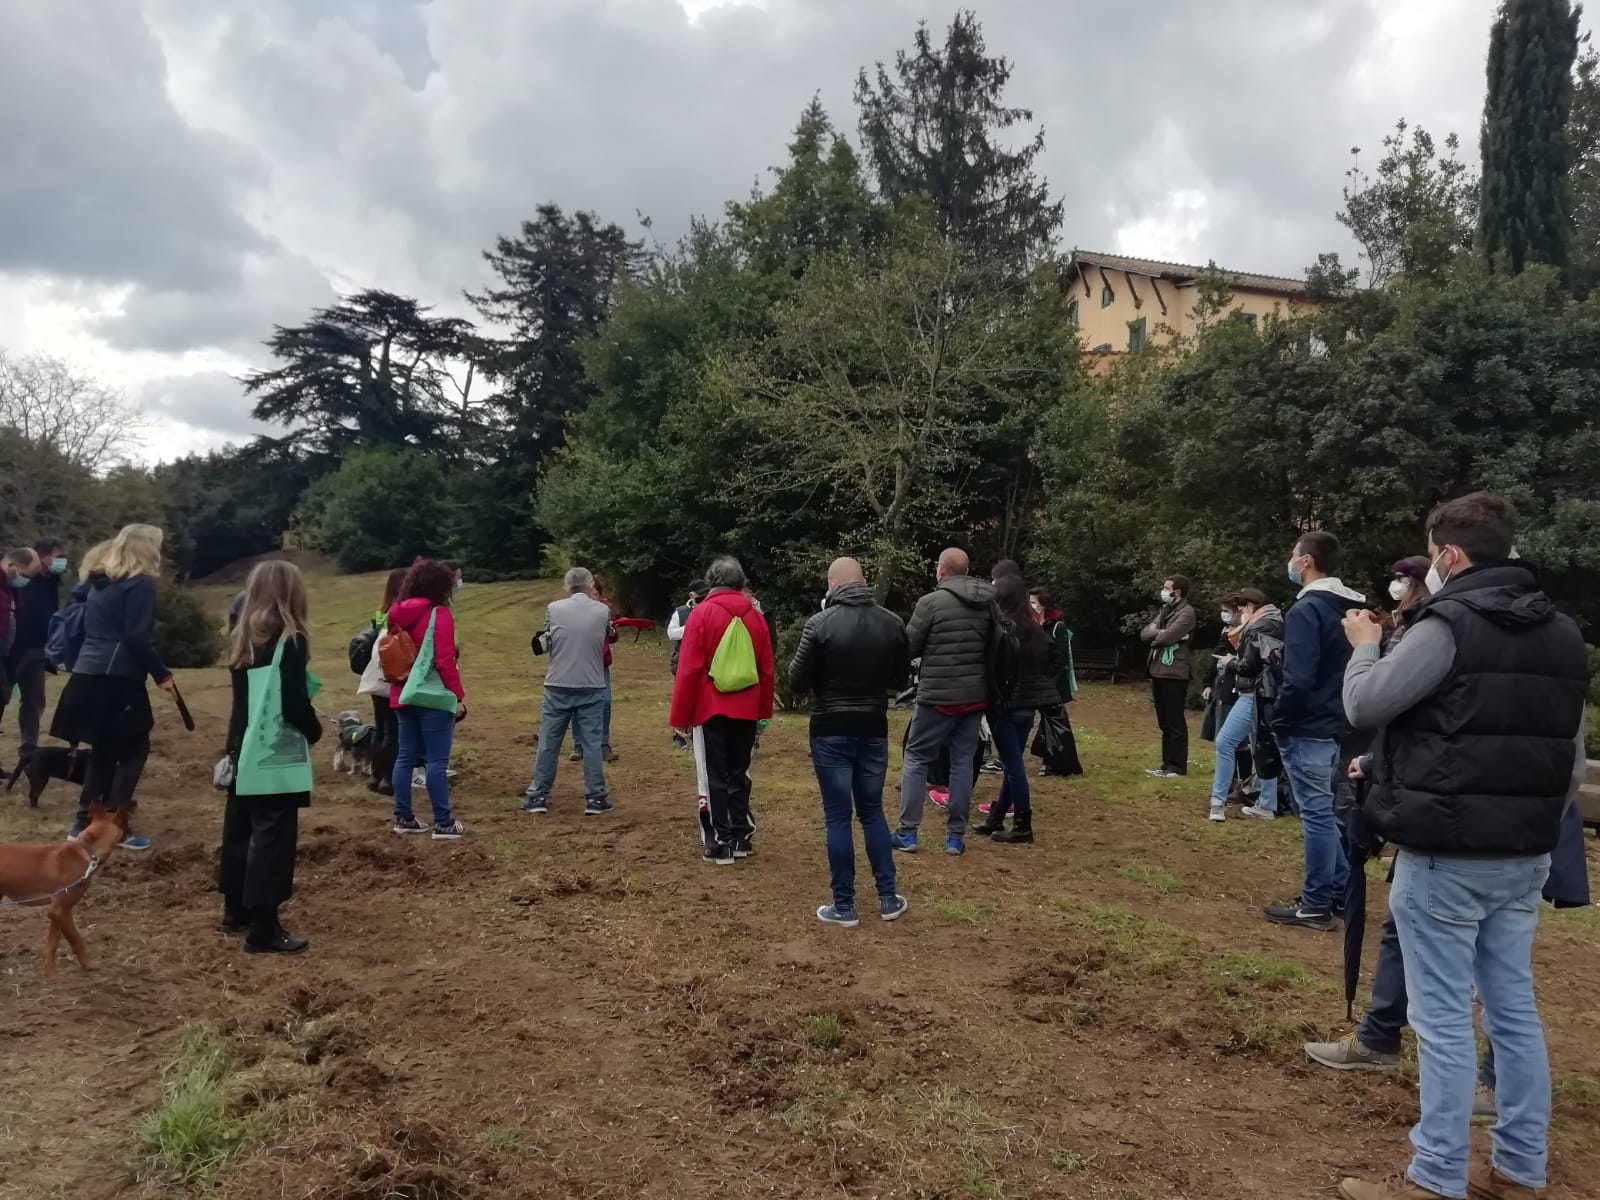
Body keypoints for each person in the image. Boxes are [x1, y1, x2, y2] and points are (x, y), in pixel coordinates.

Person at [1334, 493, 1587, 1200]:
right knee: (1512, 1006)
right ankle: (1520, 1163)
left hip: (1445, 853)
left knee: (1440, 1016)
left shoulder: (1447, 625)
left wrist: (1363, 651)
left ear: (1448, 554)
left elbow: (1366, 706)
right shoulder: (1563, 633)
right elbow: (1568, 759)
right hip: (1524, 853)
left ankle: (1436, 1173)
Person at [788, 557, 910, 926]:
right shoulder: (892, 622)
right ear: (864, 582)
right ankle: (887, 898)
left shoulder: (819, 624)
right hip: (872, 725)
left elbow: (795, 679)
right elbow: (901, 678)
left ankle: (844, 905)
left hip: (829, 726)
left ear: (831, 585)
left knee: (837, 816)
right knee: (872, 811)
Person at [1264, 530, 1366, 930]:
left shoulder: (1306, 611)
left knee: (1317, 816)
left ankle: (1316, 902)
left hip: (1307, 725)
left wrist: (1280, 718)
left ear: (1306, 561)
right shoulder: (1349, 608)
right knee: (1323, 812)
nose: (1290, 560)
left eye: (1293, 553)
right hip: (1336, 719)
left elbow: (1299, 677)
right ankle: (1338, 891)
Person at [220, 560, 322, 956]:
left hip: (241, 743)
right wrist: (313, 730)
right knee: (273, 834)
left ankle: (235, 911)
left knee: (240, 827)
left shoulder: (242, 635)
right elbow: (293, 701)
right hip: (272, 753)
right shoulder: (290, 640)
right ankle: (264, 927)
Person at [50, 524, 172, 850]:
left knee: (104, 750)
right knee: (134, 749)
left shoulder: (100, 585)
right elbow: (137, 637)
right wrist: (161, 674)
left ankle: (82, 823)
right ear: (147, 548)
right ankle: (116, 825)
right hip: (117, 678)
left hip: (87, 674)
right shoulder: (140, 584)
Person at [670, 556, 774, 864]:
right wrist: (763, 714)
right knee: (738, 772)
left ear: (711, 582)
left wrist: (680, 718)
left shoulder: (701, 614)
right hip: (746, 708)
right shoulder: (756, 617)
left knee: (714, 774)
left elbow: (688, 670)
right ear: (741, 582)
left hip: (710, 708)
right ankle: (741, 836)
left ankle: (721, 842)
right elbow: (766, 670)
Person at [893, 548, 995, 857]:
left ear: (941, 571)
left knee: (916, 758)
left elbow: (908, 646)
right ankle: (954, 837)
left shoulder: (931, 603)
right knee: (962, 762)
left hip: (936, 696)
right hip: (974, 697)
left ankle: (907, 832)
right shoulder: (988, 603)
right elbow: (996, 645)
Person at [973, 575, 1062, 845]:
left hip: (1008, 706)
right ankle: (997, 815)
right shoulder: (1035, 629)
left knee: (1013, 767)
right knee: (1014, 764)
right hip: (1028, 706)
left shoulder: (1004, 629)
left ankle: (1023, 823)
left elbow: (998, 667)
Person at [521, 567, 614, 816]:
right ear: (591, 585)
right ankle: (596, 797)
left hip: (558, 683)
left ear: (566, 586)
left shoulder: (553, 608)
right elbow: (608, 636)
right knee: (592, 743)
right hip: (591, 683)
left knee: (549, 742)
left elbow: (547, 640)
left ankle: (538, 795)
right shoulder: (603, 611)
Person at [387, 559, 467, 839]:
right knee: (436, 761)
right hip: (432, 694)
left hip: (403, 692)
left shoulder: (397, 613)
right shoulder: (439, 614)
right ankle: (443, 822)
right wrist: (458, 694)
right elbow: (444, 660)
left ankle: (403, 817)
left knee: (405, 756)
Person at [1217, 589, 1286, 822]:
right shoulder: (1274, 620)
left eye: (1239, 609)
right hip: (1266, 693)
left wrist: (1229, 663)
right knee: (1264, 747)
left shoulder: (1259, 626)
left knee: (1225, 741)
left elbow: (1250, 665)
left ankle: (1218, 800)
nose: (1236, 615)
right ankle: (1267, 803)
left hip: (1255, 693)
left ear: (1248, 607)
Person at [7, 537, 66, 761]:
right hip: (14, 650)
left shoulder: (51, 582)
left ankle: (28, 750)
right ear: (43, 556)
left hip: (38, 649)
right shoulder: (22, 579)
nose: (63, 562)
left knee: (34, 700)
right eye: (59, 557)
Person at [357, 568, 408, 795]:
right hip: (392, 675)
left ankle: (375, 774)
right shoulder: (400, 612)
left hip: (376, 675)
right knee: (394, 729)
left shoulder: (380, 613)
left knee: (380, 728)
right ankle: (389, 777)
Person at [1140, 573, 1196, 778]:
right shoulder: (1166, 610)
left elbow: (1168, 636)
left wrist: (1158, 633)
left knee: (1174, 721)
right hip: (1158, 670)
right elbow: (1145, 634)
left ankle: (1178, 766)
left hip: (1175, 673)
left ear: (1177, 591)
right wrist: (1159, 633)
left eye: (1166, 587)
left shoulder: (1187, 612)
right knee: (1164, 721)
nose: (1163, 591)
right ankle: (1166, 764)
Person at [1029, 588, 1082, 778]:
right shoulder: (1031, 625)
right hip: (1035, 681)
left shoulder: (1057, 627)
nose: (1031, 606)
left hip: (1052, 684)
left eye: (1034, 602)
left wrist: (1049, 683)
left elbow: (1060, 660)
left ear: (1043, 605)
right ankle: (1049, 758)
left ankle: (1054, 762)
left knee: (1053, 722)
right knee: (1045, 724)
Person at [571, 580, 620, 765]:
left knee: (605, 702)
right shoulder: (573, 614)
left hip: (600, 664)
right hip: (578, 664)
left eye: (596, 594)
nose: (594, 597)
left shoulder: (604, 613)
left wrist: (612, 629)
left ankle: (603, 744)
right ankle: (579, 745)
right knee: (576, 703)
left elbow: (613, 637)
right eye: (590, 594)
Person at [668, 579, 708, 748]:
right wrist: (690, 627)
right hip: (683, 660)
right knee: (683, 697)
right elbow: (671, 633)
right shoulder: (681, 612)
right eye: (699, 595)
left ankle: (698, 733)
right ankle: (679, 735)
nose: (703, 597)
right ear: (691, 596)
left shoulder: (709, 609)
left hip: (704, 661)